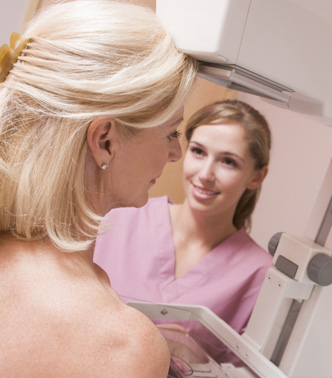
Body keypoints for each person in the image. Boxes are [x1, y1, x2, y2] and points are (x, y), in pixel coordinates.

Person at [0, 1, 197, 378]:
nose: (175, 155)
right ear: (105, 141)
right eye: (171, 133)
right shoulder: (122, 349)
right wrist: (132, 351)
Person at [94, 100, 273, 341]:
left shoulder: (259, 273)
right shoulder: (117, 217)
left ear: (257, 176)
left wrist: (186, 354)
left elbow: (238, 374)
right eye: (198, 152)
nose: (206, 174)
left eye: (228, 162)